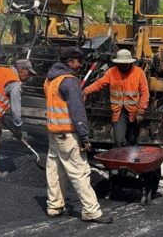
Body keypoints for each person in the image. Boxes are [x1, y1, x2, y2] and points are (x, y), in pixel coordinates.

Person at [43, 46, 113, 224]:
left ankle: (54, 206)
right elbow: (77, 112)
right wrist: (84, 136)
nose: (81, 65)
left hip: (54, 132)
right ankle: (91, 211)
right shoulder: (70, 82)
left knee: (55, 169)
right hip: (68, 134)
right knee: (79, 171)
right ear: (70, 62)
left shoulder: (50, 80)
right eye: (78, 61)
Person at [83, 49, 149, 147]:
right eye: (121, 64)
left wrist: (141, 109)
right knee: (119, 141)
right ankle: (120, 159)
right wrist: (86, 91)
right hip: (119, 112)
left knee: (132, 141)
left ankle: (130, 160)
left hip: (134, 112)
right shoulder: (112, 72)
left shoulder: (138, 73)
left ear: (130, 63)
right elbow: (99, 84)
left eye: (125, 63)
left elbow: (145, 92)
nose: (123, 66)